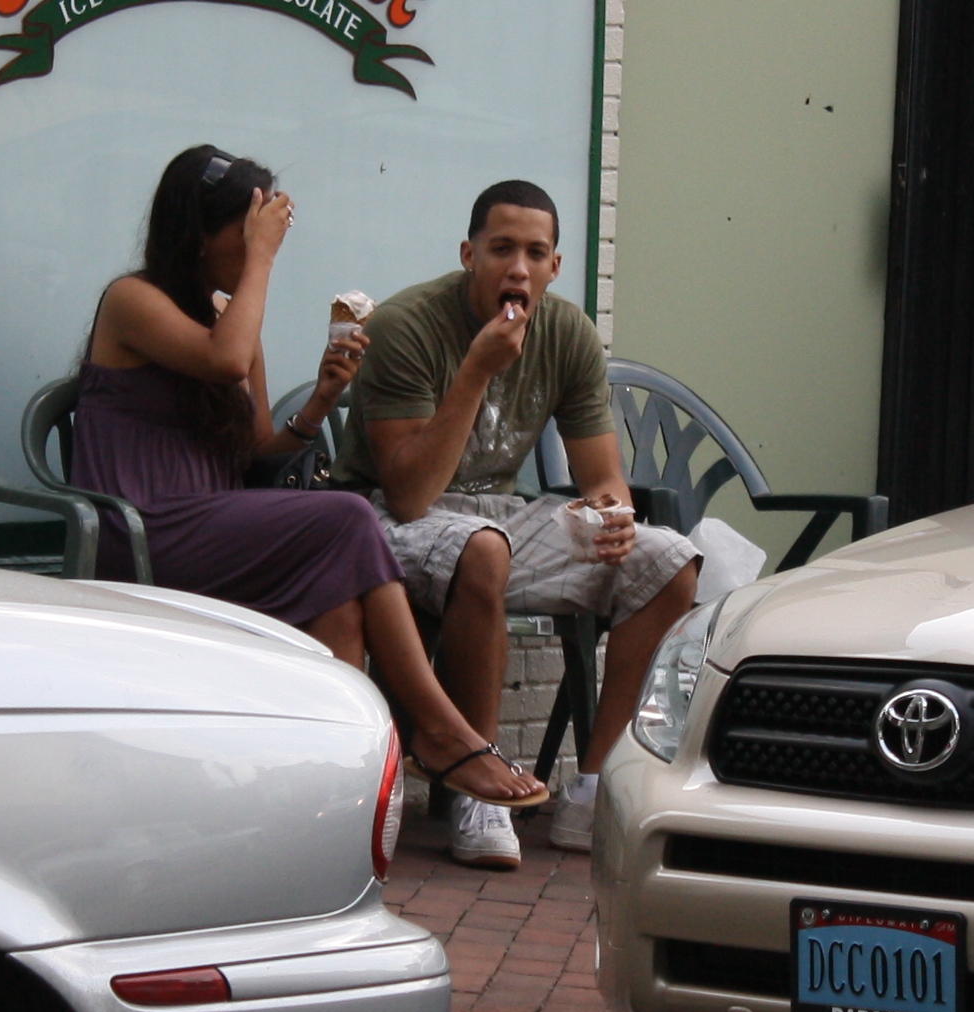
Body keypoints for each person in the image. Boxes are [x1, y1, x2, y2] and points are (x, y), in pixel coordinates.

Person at [70, 146, 550, 813]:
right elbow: (226, 356)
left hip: (214, 525)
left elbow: (261, 452)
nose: (263, 250)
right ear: (197, 235)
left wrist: (322, 401)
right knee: (350, 515)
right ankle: (437, 730)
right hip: (143, 532)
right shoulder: (131, 301)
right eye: (248, 233)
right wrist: (260, 262)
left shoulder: (232, 321)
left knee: (341, 604)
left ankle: (336, 801)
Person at [333, 178, 698, 872]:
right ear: (470, 254)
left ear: (556, 265)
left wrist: (612, 514)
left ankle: (591, 792)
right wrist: (475, 372)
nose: (518, 268)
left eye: (535, 252)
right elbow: (409, 495)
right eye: (502, 249)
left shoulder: (566, 332)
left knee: (668, 561)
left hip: (494, 516)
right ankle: (481, 791)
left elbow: (601, 475)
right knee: (482, 549)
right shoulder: (409, 326)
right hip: (380, 519)